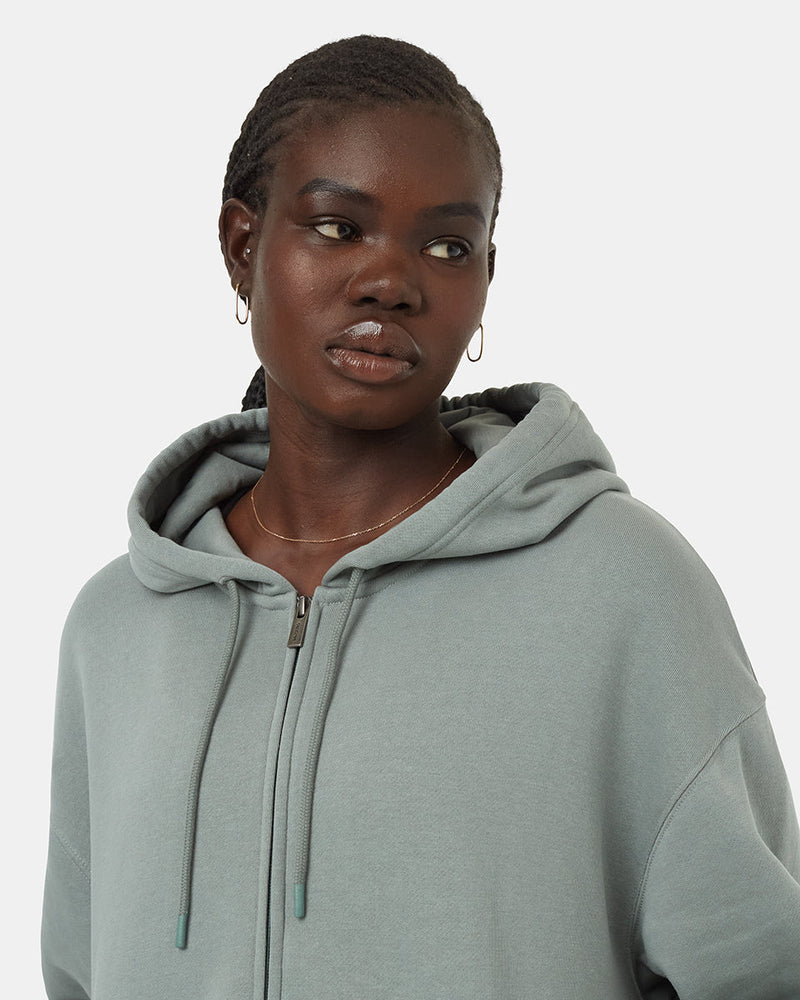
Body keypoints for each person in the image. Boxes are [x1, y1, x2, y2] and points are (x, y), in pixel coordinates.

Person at [41, 35, 800, 1000]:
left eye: (447, 246)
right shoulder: (116, 626)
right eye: (336, 227)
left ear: (485, 280)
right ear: (242, 246)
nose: (391, 281)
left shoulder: (622, 589)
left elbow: (761, 969)